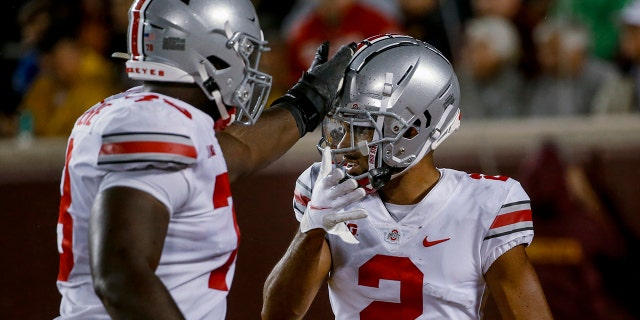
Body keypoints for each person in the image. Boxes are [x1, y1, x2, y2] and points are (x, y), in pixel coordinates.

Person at [54, 0, 355, 318]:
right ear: (208, 50)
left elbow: (237, 152)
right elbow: (120, 277)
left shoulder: (140, 113)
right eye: (242, 50)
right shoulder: (157, 125)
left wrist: (308, 101)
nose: (250, 66)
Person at [262, 34, 553, 319]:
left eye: (362, 128)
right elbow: (279, 313)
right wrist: (311, 226)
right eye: (340, 126)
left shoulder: (484, 204)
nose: (341, 144)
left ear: (414, 129)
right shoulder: (327, 190)